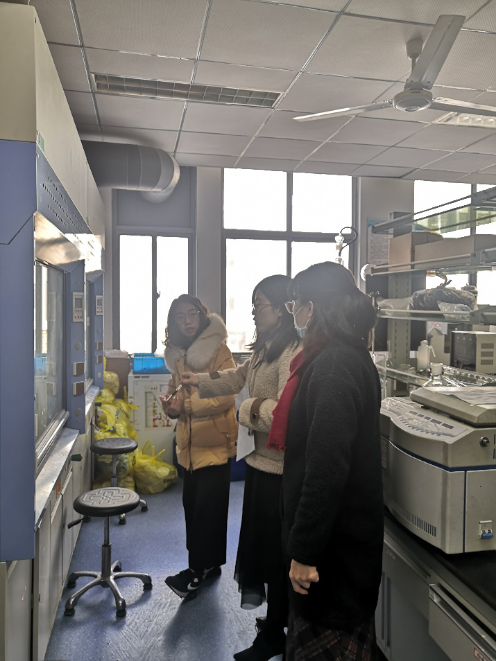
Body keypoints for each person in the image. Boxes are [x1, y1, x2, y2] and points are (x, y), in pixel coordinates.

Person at [181, 275, 301, 661]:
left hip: (279, 471)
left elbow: (284, 413)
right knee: (264, 551)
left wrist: (244, 410)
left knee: (277, 554)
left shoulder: (292, 352)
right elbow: (237, 377)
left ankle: (277, 633)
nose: (254, 312)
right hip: (260, 465)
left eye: (259, 304)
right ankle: (276, 621)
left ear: (282, 309)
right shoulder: (267, 348)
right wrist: (198, 381)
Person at [272, 262, 383, 661]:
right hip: (342, 547)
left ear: (312, 308)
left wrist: (304, 552)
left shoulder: (334, 367)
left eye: (295, 304)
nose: (294, 313)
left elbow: (326, 470)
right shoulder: (344, 355)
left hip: (334, 557)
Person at [161, 294, 237, 600]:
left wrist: (187, 406)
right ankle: (210, 566)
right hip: (189, 448)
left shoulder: (219, 351)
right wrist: (171, 406)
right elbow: (174, 391)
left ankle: (196, 571)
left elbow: (227, 393)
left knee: (207, 513)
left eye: (192, 314)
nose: (188, 321)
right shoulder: (179, 355)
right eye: (180, 317)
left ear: (202, 315)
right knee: (194, 511)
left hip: (215, 444)